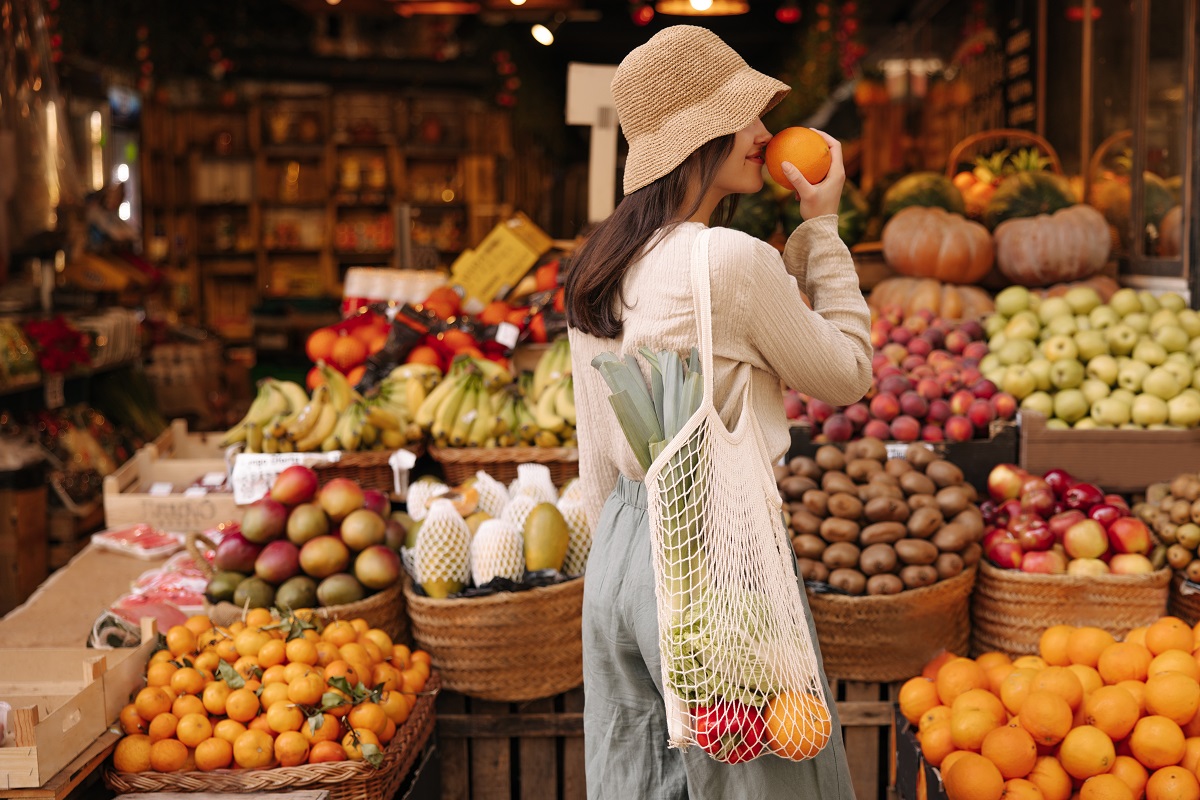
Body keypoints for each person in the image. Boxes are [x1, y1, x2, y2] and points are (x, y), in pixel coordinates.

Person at [563, 25, 872, 799]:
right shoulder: (729, 261)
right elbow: (848, 373)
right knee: (761, 782)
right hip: (711, 551)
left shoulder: (601, 267)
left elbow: (596, 449)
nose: (765, 133)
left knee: (642, 779)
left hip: (621, 555)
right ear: (698, 136)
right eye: (745, 115)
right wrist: (823, 230)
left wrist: (628, 569)